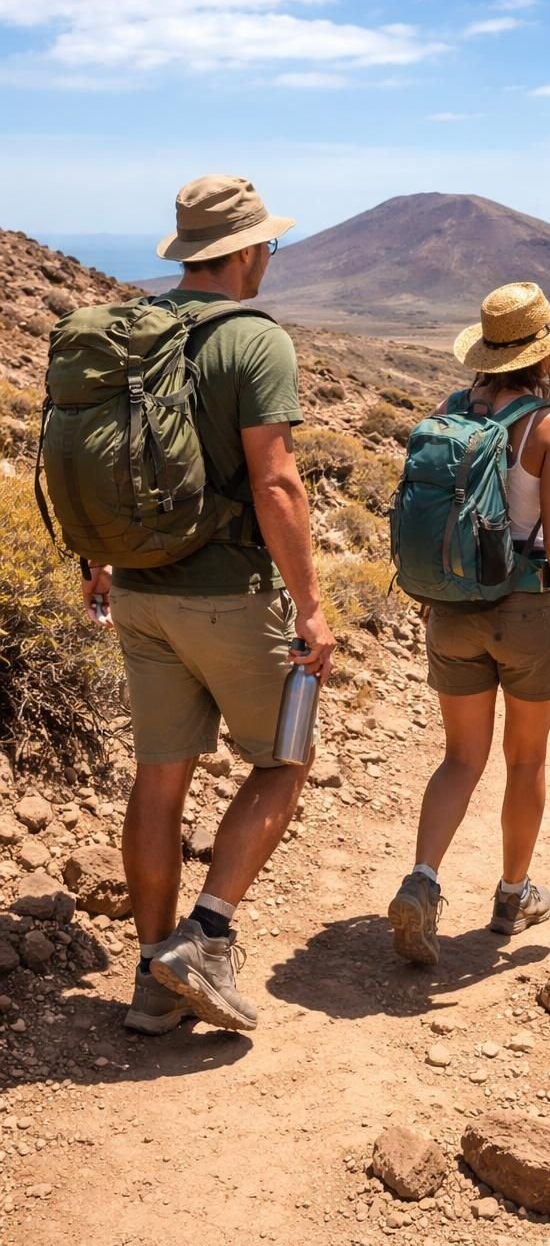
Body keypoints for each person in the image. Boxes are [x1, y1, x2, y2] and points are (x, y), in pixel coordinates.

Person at [84, 174, 335, 1035]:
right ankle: (210, 934)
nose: (270, 257)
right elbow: (277, 481)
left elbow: (101, 459)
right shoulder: (254, 340)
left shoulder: (133, 331)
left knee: (160, 782)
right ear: (245, 252)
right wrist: (310, 605)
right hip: (229, 594)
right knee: (283, 761)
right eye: (269, 244)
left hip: (140, 594)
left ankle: (153, 983)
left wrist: (99, 556)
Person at [387, 282, 550, 966]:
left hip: (452, 609)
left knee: (460, 758)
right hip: (524, 613)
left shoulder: (450, 409)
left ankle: (422, 881)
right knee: (523, 760)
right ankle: (513, 894)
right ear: (545, 352)